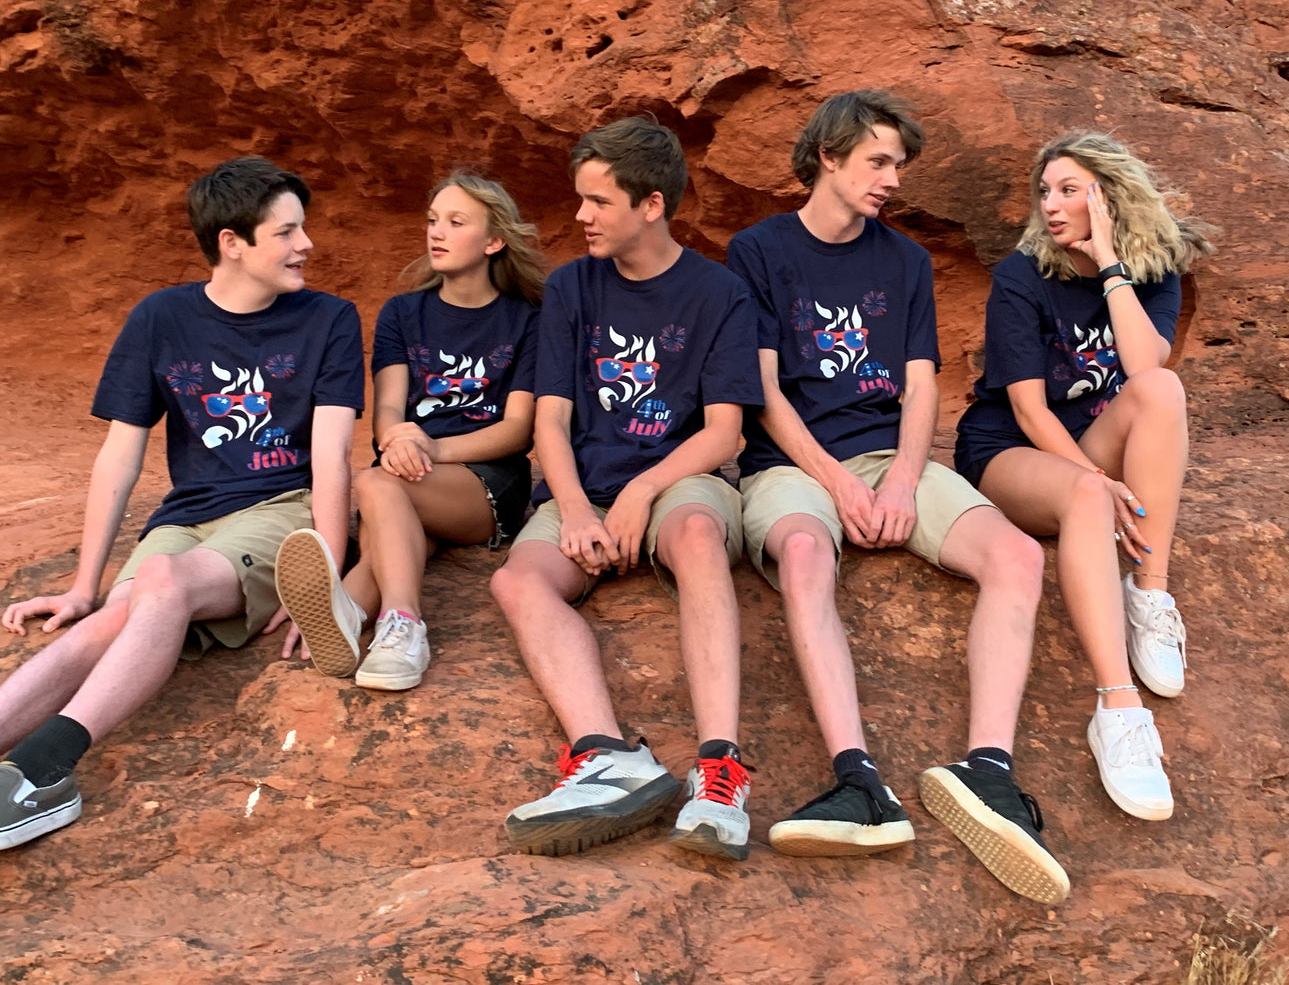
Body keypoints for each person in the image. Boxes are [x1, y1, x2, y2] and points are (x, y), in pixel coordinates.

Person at [727, 90, 1069, 904]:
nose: (891, 179)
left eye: (898, 165)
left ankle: (987, 770)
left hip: (893, 457)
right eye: (878, 160)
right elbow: (764, 390)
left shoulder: (905, 260)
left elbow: (922, 386)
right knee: (807, 553)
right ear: (828, 157)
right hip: (788, 463)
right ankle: (859, 783)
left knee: (1018, 555)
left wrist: (907, 478)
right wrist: (837, 481)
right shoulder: (758, 249)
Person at [0, 157, 363, 851]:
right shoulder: (161, 317)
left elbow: (330, 456)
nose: (306, 245)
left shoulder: (329, 319)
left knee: (163, 582)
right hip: (188, 514)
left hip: (281, 507)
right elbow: (120, 455)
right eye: (287, 232)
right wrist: (84, 584)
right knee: (106, 621)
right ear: (233, 242)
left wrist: (326, 566)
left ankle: (44, 767)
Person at [489, 117, 763, 861]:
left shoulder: (719, 292)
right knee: (518, 581)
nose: (580, 216)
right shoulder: (572, 287)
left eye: (597, 201)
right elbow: (550, 420)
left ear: (650, 205)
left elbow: (724, 433)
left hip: (680, 484)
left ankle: (719, 771)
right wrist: (574, 508)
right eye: (580, 199)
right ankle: (608, 755)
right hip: (585, 491)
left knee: (702, 537)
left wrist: (645, 489)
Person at [954, 132, 1215, 822]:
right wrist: (1101, 483)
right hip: (1009, 453)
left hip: (1089, 447)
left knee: (1164, 393)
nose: (1051, 204)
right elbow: (1028, 409)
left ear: (1110, 195)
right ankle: (1117, 708)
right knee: (1086, 491)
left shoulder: (1152, 270)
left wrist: (1109, 265)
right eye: (1046, 191)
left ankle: (1148, 593)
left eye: (1070, 189)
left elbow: (1145, 365)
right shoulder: (1021, 275)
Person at [274, 172, 546, 692]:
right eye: (431, 220)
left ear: (493, 241)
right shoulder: (403, 311)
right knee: (394, 518)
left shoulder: (526, 319)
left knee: (377, 484)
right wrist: (398, 439)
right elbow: (389, 409)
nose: (436, 233)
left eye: (455, 222)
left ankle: (404, 623)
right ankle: (346, 616)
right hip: (410, 471)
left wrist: (426, 445)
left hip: (485, 479)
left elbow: (516, 431)